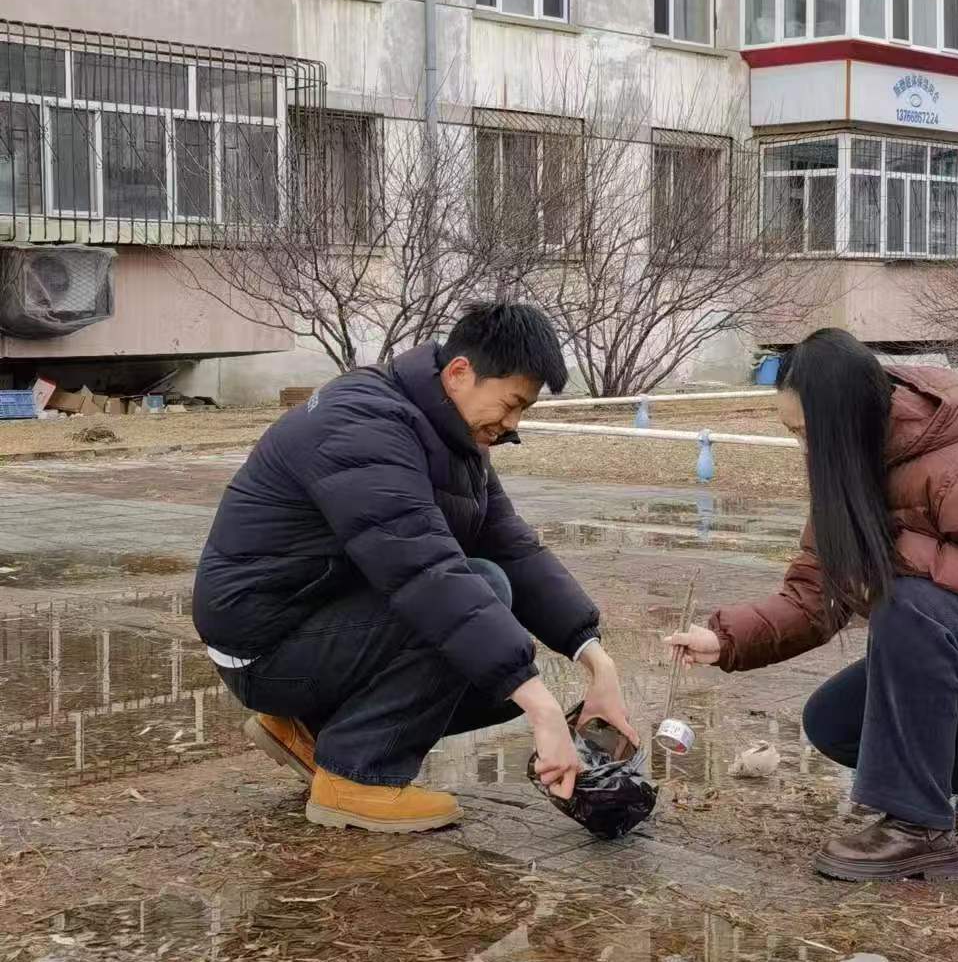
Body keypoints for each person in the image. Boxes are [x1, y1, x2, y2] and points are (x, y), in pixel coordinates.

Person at [666, 330, 958, 883]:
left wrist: (892, 551)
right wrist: (726, 638)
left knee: (905, 603)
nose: (803, 449)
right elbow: (815, 594)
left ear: (843, 419)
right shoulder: (851, 475)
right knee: (835, 722)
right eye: (792, 433)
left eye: (807, 432)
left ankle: (917, 829)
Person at [194, 303, 636, 833]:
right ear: (460, 373)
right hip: (262, 646)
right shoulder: (362, 424)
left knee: (499, 670)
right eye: (512, 404)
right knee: (485, 610)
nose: (512, 424)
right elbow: (424, 571)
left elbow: (512, 546)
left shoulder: (449, 431)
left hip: (312, 618)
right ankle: (356, 776)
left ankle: (306, 731)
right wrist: (543, 709)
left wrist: (597, 662)